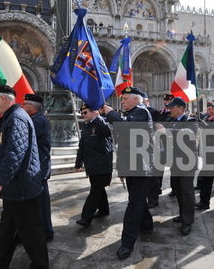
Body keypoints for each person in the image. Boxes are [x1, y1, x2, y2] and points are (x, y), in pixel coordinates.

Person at [0, 85, 49, 269]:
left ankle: (40, 265)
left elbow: (15, 153)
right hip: (16, 186)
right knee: (7, 228)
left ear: (4, 99)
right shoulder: (11, 117)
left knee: (31, 232)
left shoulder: (16, 118)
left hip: (22, 186)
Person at [103, 86, 153, 260]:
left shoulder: (141, 112)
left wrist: (110, 113)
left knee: (134, 204)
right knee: (138, 200)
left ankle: (127, 243)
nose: (122, 102)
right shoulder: (130, 114)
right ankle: (147, 225)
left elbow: (126, 128)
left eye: (125, 99)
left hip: (141, 167)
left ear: (135, 100)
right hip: (132, 166)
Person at [160, 97, 198, 236]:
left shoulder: (191, 121)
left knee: (187, 192)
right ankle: (183, 215)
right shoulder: (172, 122)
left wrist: (166, 131)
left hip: (187, 163)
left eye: (172, 107)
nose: (169, 109)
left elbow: (186, 134)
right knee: (179, 191)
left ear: (181, 108)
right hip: (175, 162)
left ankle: (188, 221)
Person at [75, 103, 113, 227]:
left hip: (101, 165)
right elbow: (82, 146)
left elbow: (108, 132)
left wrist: (98, 118)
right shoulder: (86, 126)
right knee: (98, 188)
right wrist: (78, 162)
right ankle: (104, 210)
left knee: (95, 191)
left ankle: (86, 218)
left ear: (95, 112)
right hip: (91, 165)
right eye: (82, 113)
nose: (83, 115)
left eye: (85, 112)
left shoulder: (102, 123)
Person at [22, 93, 54, 241]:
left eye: (25, 104)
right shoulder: (36, 118)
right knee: (37, 202)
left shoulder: (38, 121)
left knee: (41, 202)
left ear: (32, 107)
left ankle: (46, 232)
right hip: (38, 166)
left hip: (39, 167)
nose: (23, 106)